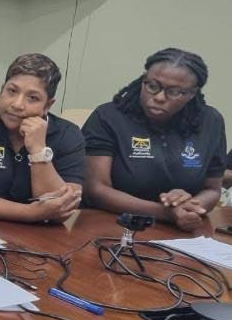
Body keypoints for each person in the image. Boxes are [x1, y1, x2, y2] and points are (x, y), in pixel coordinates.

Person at [82, 48, 226, 231]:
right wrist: (165, 213)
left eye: (173, 92)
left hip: (180, 232)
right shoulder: (108, 117)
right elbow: (95, 190)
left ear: (191, 94)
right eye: (152, 86)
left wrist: (189, 206)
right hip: (110, 224)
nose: (158, 97)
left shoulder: (210, 122)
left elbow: (212, 189)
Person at [0, 54, 83, 223]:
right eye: (12, 91)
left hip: (43, 237)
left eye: (32, 98)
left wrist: (39, 151)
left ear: (48, 105)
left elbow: (62, 208)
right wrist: (30, 213)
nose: (17, 104)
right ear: (2, 89)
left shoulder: (68, 134)